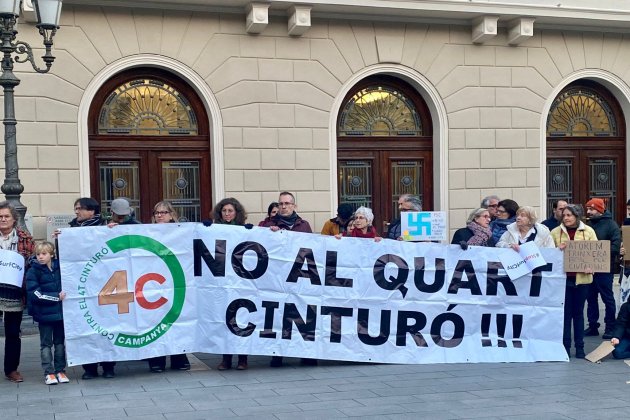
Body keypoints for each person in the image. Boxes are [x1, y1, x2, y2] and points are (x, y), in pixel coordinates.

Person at [64, 198, 116, 379]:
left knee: (107, 327)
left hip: (105, 285)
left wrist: (114, 230)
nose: (76, 212)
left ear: (92, 211)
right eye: (75, 208)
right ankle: (90, 367)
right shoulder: (70, 231)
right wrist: (59, 240)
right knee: (85, 327)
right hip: (82, 287)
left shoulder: (105, 227)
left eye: (80, 208)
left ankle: (109, 366)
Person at [261, 192, 314, 367]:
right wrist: (270, 234)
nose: (283, 206)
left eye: (287, 203)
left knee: (303, 315)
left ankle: (306, 353)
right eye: (281, 203)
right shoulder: (268, 225)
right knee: (279, 315)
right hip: (277, 279)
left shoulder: (304, 225)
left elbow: (314, 248)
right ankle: (278, 354)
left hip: (300, 278)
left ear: (294, 206)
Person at [146, 201, 191, 373]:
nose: (160, 215)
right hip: (152, 282)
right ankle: (156, 360)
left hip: (175, 282)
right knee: (155, 320)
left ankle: (179, 358)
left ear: (172, 215)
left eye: (164, 212)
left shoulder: (181, 232)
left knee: (176, 320)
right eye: (157, 212)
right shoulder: (145, 231)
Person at [551, 204, 597, 358]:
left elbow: (596, 254)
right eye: (564, 215)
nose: (566, 218)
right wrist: (558, 250)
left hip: (582, 280)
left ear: (577, 216)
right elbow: (549, 255)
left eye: (569, 215)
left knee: (578, 314)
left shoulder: (588, 231)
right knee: (565, 314)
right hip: (562, 280)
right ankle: (565, 347)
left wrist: (592, 266)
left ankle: (580, 348)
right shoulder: (555, 232)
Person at [213, 197, 250, 370]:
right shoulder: (213, 230)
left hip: (241, 281)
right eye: (224, 211)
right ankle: (226, 358)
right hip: (223, 282)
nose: (227, 214)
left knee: (241, 318)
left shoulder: (245, 230)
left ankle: (243, 358)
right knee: (224, 319)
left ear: (237, 213)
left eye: (230, 211)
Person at [25, 241, 69, 385]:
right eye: (38, 254)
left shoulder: (60, 268)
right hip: (44, 315)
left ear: (51, 254)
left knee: (60, 343)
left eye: (44, 254)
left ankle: (60, 370)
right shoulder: (33, 271)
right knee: (45, 344)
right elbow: (35, 294)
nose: (40, 257)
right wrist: (56, 297)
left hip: (60, 315)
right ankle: (49, 372)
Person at [0, 201, 35, 383]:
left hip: (14, 293)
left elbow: (32, 262)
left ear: (14, 219)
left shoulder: (25, 238)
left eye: (6, 216)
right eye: (0, 217)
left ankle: (11, 369)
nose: (3, 219)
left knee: (13, 332)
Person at [583, 198, 620, 340]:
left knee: (607, 298)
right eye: (588, 209)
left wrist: (597, 252)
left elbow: (615, 247)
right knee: (590, 298)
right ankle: (593, 326)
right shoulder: (586, 225)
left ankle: (610, 327)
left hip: (605, 269)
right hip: (589, 269)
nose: (588, 212)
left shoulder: (611, 225)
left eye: (591, 209)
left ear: (599, 210)